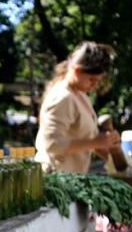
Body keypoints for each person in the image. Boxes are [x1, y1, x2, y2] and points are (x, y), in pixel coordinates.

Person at [35, 41, 119, 173]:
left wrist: (108, 148)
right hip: (56, 179)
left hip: (72, 179)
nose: (94, 85)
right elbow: (52, 144)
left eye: (98, 80)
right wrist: (97, 142)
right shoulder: (62, 97)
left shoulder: (80, 95)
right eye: (92, 79)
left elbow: (85, 137)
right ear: (76, 70)